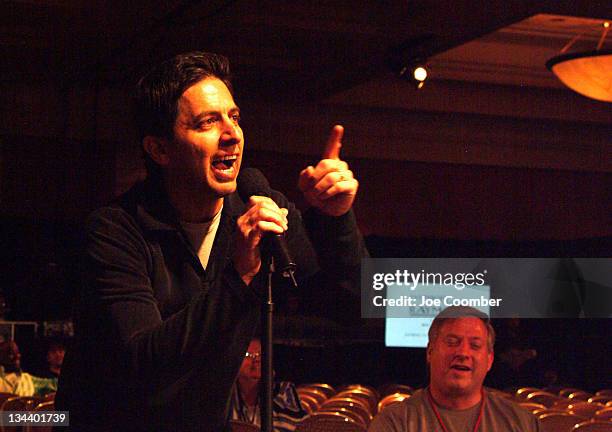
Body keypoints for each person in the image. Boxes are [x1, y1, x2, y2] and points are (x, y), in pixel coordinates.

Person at [55, 51, 367, 431]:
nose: (231, 133)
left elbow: (356, 307)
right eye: (207, 122)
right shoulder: (115, 231)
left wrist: (336, 221)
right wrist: (238, 276)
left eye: (234, 117)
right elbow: (145, 365)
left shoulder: (254, 207)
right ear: (160, 149)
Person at [369, 306, 540, 432]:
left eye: (475, 345)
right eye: (452, 342)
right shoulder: (395, 423)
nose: (463, 353)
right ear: (430, 351)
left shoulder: (522, 423)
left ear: (490, 360)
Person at [229, 339, 307, 431]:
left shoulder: (282, 390)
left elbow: (297, 426)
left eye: (260, 355)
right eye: (248, 355)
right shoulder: (227, 394)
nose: (256, 360)